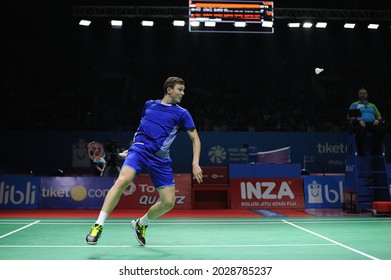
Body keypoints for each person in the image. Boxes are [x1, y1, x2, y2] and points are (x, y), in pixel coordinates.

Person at [86, 77, 203, 246]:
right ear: (169, 90)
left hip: (160, 159)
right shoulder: (149, 105)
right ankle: (98, 226)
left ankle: (141, 223)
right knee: (122, 181)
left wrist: (195, 163)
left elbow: (196, 140)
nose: (183, 93)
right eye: (180, 89)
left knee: (168, 203)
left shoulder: (182, 113)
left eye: (183, 90)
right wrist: (132, 148)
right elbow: (142, 128)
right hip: (139, 151)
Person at [347, 87, 386, 156]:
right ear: (358, 95)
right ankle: (361, 152)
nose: (362, 95)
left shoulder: (372, 105)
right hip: (360, 123)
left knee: (381, 130)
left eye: (364, 93)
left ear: (367, 95)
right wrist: (359, 121)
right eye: (360, 93)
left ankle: (374, 150)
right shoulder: (355, 104)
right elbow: (350, 117)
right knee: (360, 130)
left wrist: (377, 120)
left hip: (372, 124)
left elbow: (379, 116)